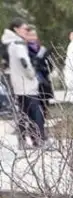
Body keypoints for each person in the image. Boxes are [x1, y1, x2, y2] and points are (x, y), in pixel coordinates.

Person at [1, 19, 46, 150]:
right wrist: (32, 74)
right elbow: (24, 62)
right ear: (16, 29)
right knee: (35, 114)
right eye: (25, 29)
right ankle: (38, 140)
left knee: (22, 114)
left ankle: (23, 141)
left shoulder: (9, 42)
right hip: (27, 85)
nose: (27, 32)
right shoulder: (18, 44)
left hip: (18, 84)